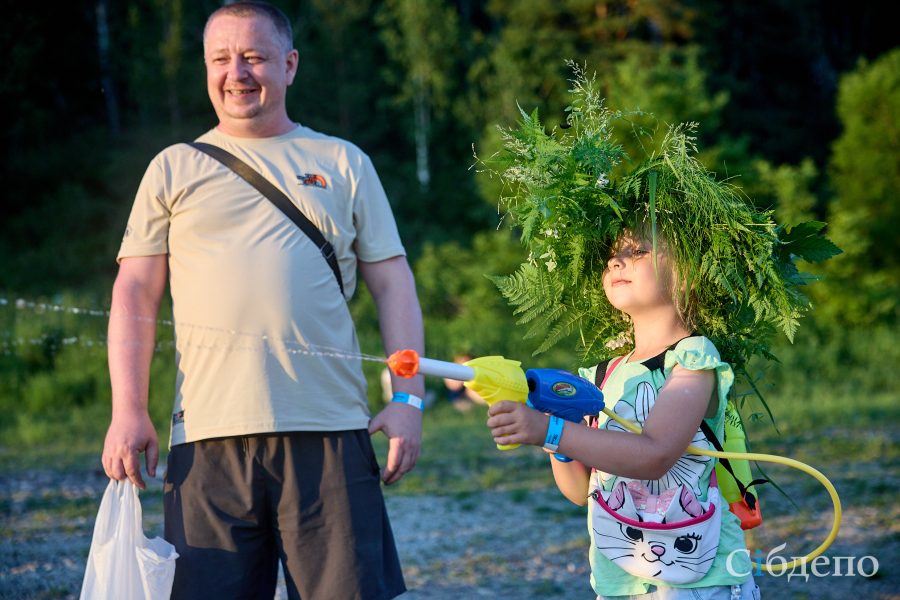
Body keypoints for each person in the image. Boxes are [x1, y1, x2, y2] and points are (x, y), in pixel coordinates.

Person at [101, 2, 424, 598]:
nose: (237, 73)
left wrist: (409, 399)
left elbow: (393, 283)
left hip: (329, 431)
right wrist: (129, 409)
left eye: (254, 57)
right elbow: (135, 290)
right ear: (205, 67)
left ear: (290, 65)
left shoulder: (343, 162)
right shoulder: (173, 168)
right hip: (204, 439)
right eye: (221, 59)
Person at [487, 227, 759, 598]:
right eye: (614, 255)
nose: (617, 261)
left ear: (689, 275)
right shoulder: (601, 376)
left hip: (698, 579)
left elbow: (655, 455)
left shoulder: (692, 360)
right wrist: (557, 437)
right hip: (620, 578)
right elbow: (579, 490)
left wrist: (547, 430)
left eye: (640, 251)